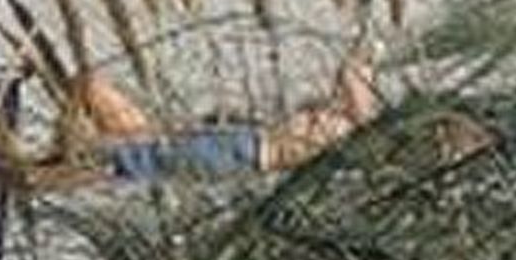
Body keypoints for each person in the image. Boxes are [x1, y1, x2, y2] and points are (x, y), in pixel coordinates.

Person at [75, 40, 381, 178]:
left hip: (244, 151)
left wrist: (366, 57)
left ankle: (86, 149)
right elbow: (350, 81)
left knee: (142, 149)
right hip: (242, 140)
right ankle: (87, 137)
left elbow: (350, 76)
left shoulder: (367, 130)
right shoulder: (349, 122)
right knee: (147, 138)